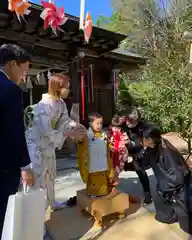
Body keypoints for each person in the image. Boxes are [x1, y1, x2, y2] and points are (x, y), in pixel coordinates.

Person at [25, 73, 86, 214]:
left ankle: (52, 202)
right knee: (38, 181)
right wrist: (67, 133)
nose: (68, 90)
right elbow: (46, 132)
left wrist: (75, 125)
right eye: (67, 87)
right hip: (37, 146)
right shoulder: (44, 106)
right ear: (58, 87)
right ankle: (36, 215)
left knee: (51, 176)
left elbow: (65, 120)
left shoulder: (60, 103)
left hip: (48, 146)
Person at [0, 44, 35, 237]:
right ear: (12, 64)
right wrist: (26, 166)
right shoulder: (10, 90)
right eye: (24, 69)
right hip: (4, 167)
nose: (24, 75)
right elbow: (15, 131)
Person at [142, 125, 192, 239]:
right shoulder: (153, 147)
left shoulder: (167, 152)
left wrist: (164, 187)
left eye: (143, 138)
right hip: (166, 187)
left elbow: (178, 178)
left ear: (149, 140)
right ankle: (171, 215)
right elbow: (145, 163)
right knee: (164, 215)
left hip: (177, 188)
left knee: (186, 221)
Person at [77, 112, 115, 197]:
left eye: (101, 123)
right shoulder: (86, 135)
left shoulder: (103, 134)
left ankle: (103, 193)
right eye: (97, 123)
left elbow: (107, 144)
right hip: (92, 162)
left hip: (102, 161)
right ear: (90, 123)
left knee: (103, 179)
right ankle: (92, 194)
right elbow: (80, 143)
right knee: (93, 180)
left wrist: (110, 146)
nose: (99, 125)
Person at [120, 108, 152, 204]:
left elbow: (146, 145)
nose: (128, 124)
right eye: (127, 121)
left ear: (137, 121)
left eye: (131, 122)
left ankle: (147, 194)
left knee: (140, 170)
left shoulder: (143, 128)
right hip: (128, 151)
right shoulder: (124, 125)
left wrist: (134, 155)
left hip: (141, 152)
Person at [108, 114, 129, 181]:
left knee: (118, 168)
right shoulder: (110, 133)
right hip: (111, 153)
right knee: (111, 168)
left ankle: (114, 179)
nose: (116, 129)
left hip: (119, 154)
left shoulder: (122, 133)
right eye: (114, 127)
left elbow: (127, 141)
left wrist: (121, 143)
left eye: (118, 127)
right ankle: (112, 180)